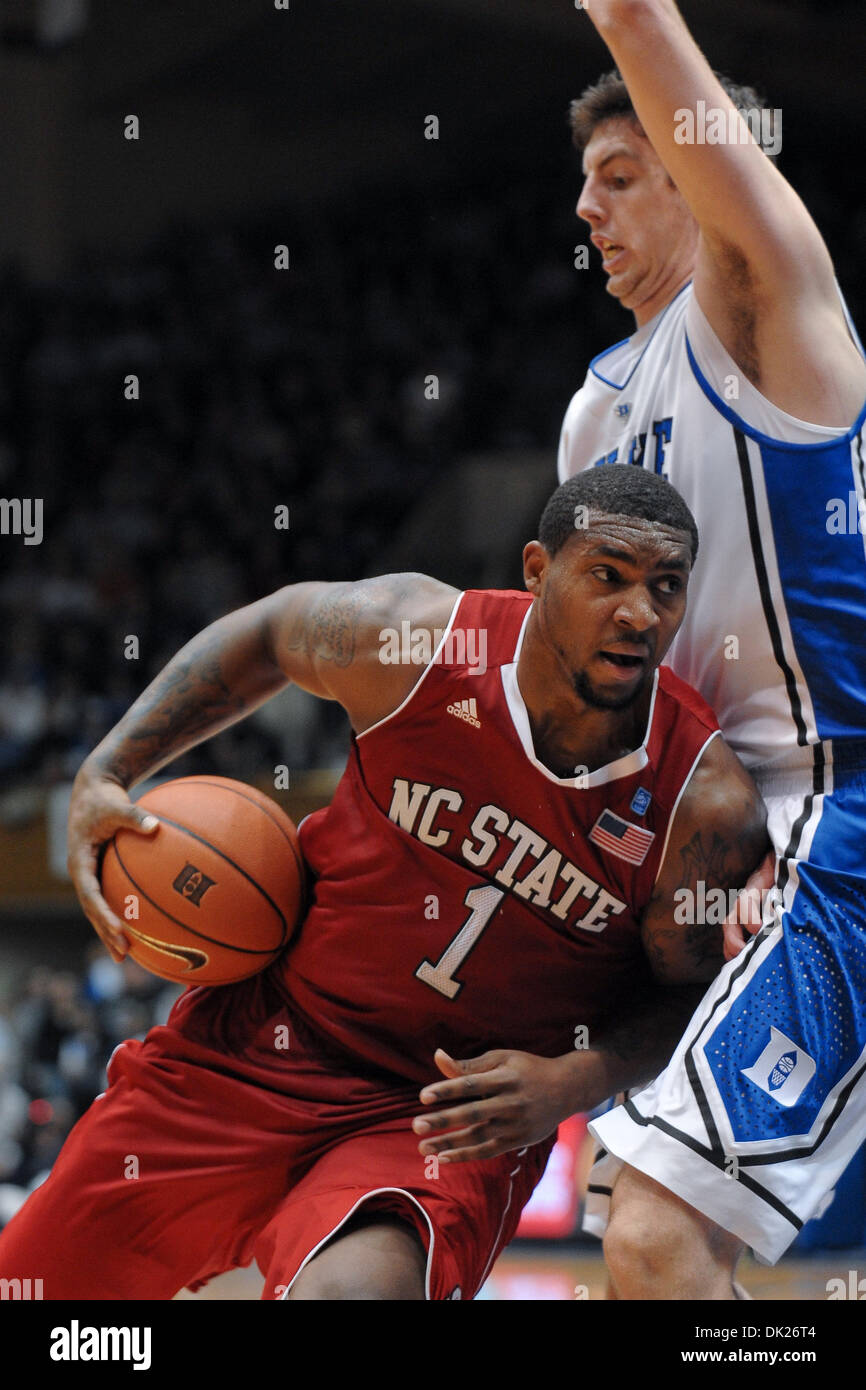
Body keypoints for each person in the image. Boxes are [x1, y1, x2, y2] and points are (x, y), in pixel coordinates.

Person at [0, 467, 766, 1301]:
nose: (639, 613)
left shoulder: (702, 804)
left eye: (666, 587)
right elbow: (270, 633)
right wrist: (108, 769)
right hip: (263, 1040)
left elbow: (692, 998)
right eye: (607, 576)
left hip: (445, 1113)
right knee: (36, 1289)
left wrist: (571, 1084)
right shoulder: (419, 641)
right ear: (538, 571)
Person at [559, 0, 866, 1297]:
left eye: (620, 176)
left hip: (839, 818)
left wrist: (624, 20)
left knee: (655, 1237)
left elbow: (636, 18)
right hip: (729, 852)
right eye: (582, 186)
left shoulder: (764, 311)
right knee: (643, 1246)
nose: (587, 209)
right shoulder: (592, 419)